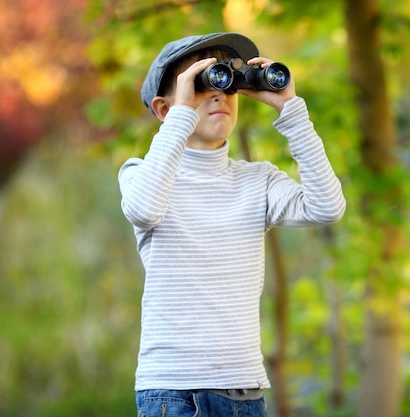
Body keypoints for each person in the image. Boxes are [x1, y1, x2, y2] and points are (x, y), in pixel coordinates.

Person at [118, 32, 346, 417]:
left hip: (245, 392)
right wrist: (180, 118)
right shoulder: (141, 174)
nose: (218, 94)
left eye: (227, 83)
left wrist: (291, 110)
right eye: (200, 83)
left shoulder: (259, 181)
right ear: (163, 108)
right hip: (174, 391)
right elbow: (143, 210)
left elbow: (327, 207)